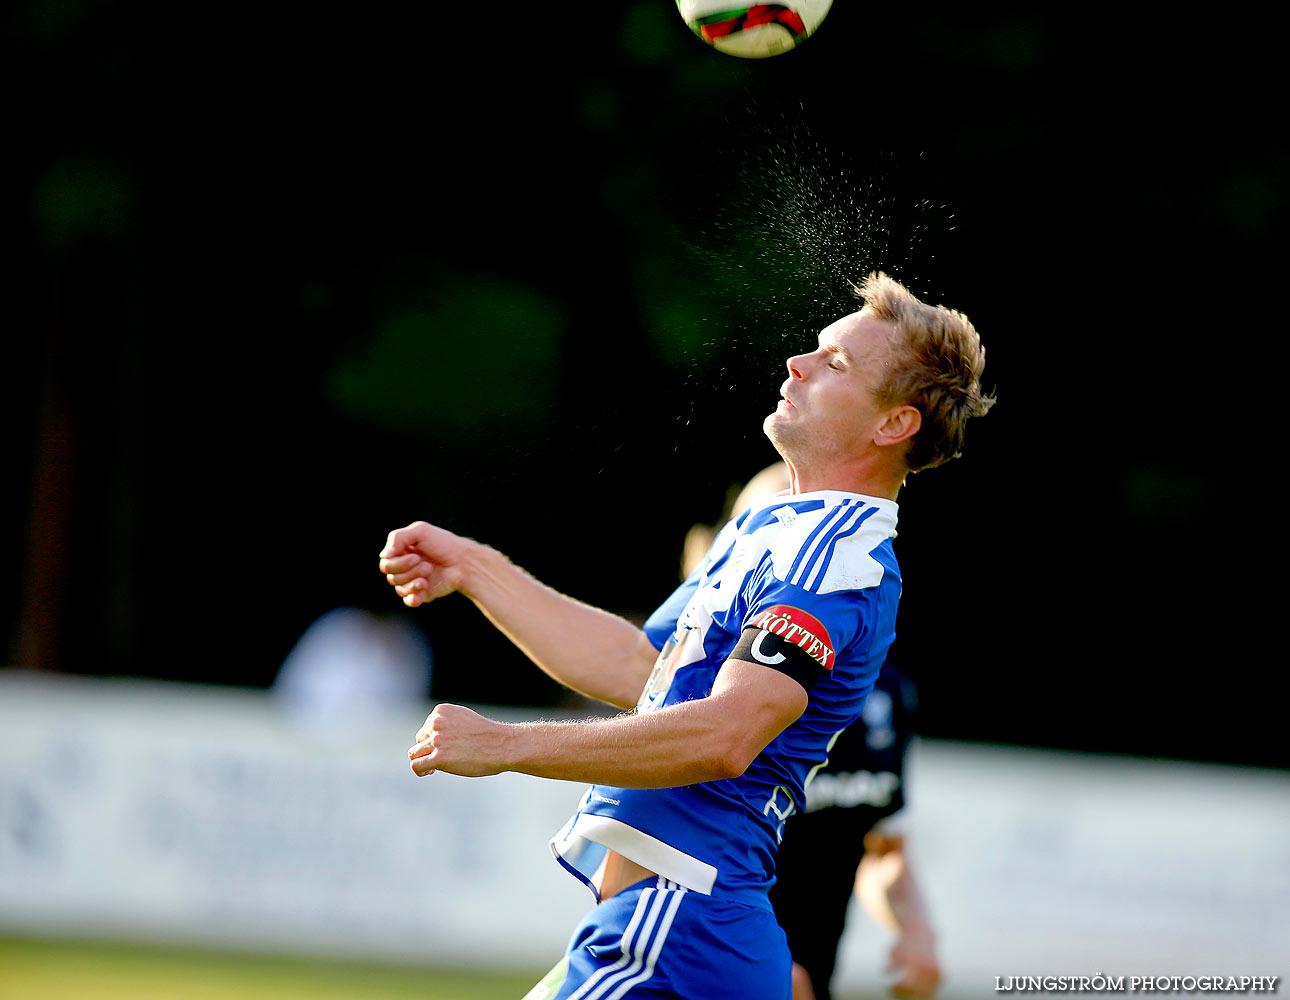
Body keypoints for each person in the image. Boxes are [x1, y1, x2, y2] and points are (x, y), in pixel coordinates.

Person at [377, 272, 993, 1000]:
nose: (798, 365)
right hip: (663, 924)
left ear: (893, 425)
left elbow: (723, 736)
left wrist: (506, 746)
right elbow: (641, 665)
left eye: (836, 364)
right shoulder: (773, 528)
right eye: (815, 350)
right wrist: (480, 570)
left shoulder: (836, 564)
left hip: (681, 924)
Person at [686, 464, 942, 1000]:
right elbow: (651, 859)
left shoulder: (882, 692)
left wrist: (913, 930)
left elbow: (882, 845)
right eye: (773, 533)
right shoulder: (693, 695)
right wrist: (753, 960)